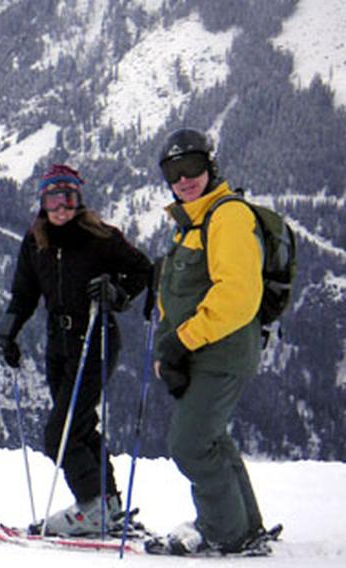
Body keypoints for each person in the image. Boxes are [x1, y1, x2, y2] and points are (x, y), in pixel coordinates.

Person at [0, 163, 152, 536]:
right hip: (58, 344)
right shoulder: (36, 241)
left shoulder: (100, 237)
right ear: (42, 202)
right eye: (53, 199)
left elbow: (142, 270)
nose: (61, 208)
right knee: (79, 427)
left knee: (59, 435)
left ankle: (93, 506)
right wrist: (8, 333)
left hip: (95, 340)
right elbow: (24, 293)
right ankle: (108, 504)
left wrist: (117, 292)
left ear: (78, 200)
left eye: (68, 198)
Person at [153, 128, 266, 554]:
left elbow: (238, 294)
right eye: (173, 171)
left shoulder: (227, 215)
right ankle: (245, 525)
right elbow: (176, 297)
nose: (184, 179)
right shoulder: (191, 223)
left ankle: (225, 533)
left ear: (210, 166)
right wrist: (170, 348)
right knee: (211, 438)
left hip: (222, 351)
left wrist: (182, 342)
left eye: (192, 166)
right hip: (200, 350)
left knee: (191, 444)